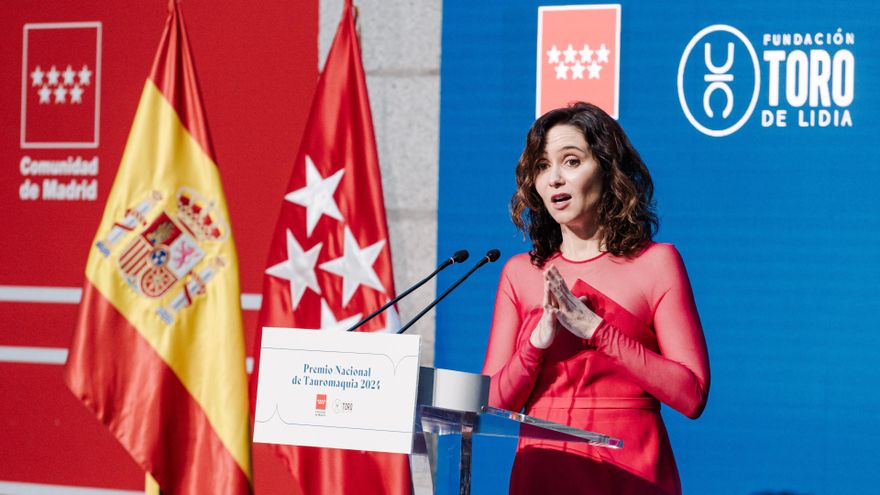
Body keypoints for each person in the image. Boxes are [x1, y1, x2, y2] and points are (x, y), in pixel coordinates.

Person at [482, 102, 710, 495]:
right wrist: (536, 346)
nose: (553, 178)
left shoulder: (656, 263)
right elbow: (490, 403)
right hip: (542, 470)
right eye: (541, 166)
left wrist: (597, 331)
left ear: (607, 171)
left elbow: (691, 395)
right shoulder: (520, 273)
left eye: (570, 161)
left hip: (630, 471)